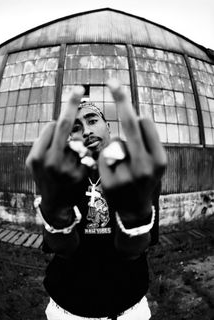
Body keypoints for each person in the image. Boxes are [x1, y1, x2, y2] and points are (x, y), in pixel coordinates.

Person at [26, 79, 167, 320]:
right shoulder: (62, 178)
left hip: (128, 308)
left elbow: (135, 251)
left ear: (109, 126)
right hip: (68, 309)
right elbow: (63, 250)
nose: (87, 131)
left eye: (92, 121)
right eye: (76, 127)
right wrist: (57, 214)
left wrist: (134, 218)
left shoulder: (134, 174)